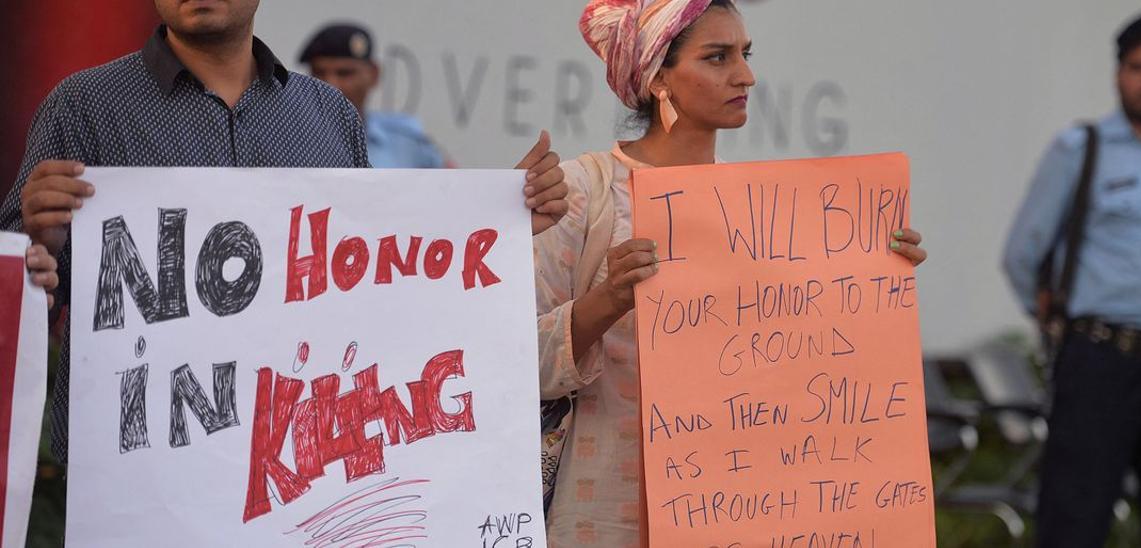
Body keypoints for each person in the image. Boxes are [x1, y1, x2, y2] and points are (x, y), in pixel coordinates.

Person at [0, 0, 568, 471]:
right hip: (136, 478)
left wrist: (499, 224)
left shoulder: (327, 116)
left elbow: (375, 279)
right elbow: (18, 293)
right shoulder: (84, 109)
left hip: (298, 476)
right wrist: (39, 243)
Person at [534, 1, 927, 545]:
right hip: (606, 510)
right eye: (717, 57)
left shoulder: (769, 209)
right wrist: (608, 300)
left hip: (742, 509)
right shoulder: (584, 192)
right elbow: (512, 363)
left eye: (745, 54)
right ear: (658, 80)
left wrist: (878, 274)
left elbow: (802, 361)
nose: (745, 75)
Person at [1001, 10, 1141, 548]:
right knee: (1073, 521)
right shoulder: (1081, 149)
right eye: (1137, 67)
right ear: (1118, 74)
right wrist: (1054, 324)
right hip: (1100, 360)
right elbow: (1022, 253)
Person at [299, 23, 453, 168]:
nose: (330, 85)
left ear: (374, 74)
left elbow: (452, 189)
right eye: (319, 73)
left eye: (345, 73)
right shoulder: (290, 138)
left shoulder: (406, 144)